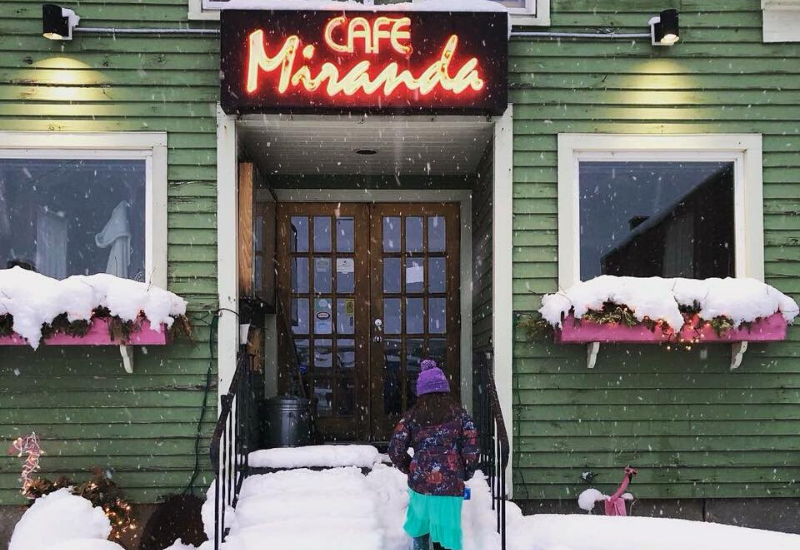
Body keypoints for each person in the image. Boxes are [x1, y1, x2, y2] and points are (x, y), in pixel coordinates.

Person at [388, 358, 479, 550]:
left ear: (421, 392)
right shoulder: (460, 415)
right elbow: (471, 448)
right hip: (450, 483)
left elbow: (395, 449)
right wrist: (465, 471)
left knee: (421, 529)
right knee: (447, 532)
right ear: (444, 389)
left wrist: (411, 467)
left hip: (421, 484)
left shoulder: (411, 416)